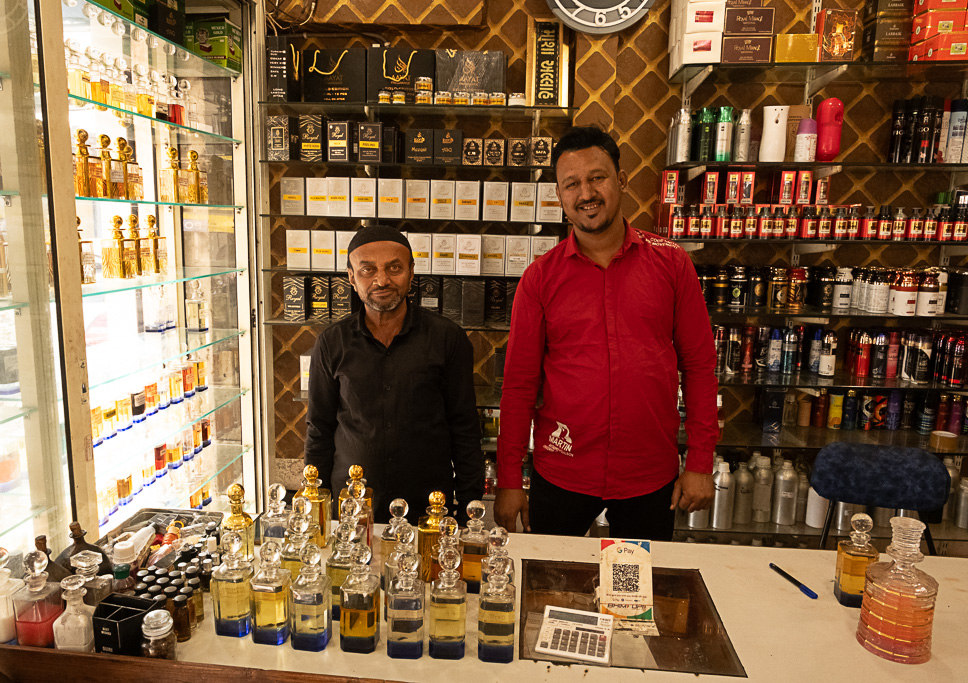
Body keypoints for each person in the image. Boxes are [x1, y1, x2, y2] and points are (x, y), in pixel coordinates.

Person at [494, 126, 717, 541]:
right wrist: (509, 479)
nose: (586, 193)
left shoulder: (672, 264)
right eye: (572, 184)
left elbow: (700, 367)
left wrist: (701, 462)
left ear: (621, 180)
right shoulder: (539, 278)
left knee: (640, 581)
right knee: (553, 576)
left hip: (648, 473)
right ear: (559, 196)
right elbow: (519, 386)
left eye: (597, 178)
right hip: (562, 467)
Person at [304, 225, 484, 524]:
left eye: (394, 268)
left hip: (429, 507)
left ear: (412, 273)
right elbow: (319, 429)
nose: (382, 280)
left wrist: (469, 504)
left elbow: (464, 427)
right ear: (352, 277)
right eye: (368, 270)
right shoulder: (332, 342)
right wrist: (315, 506)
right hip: (353, 505)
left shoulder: (447, 338)